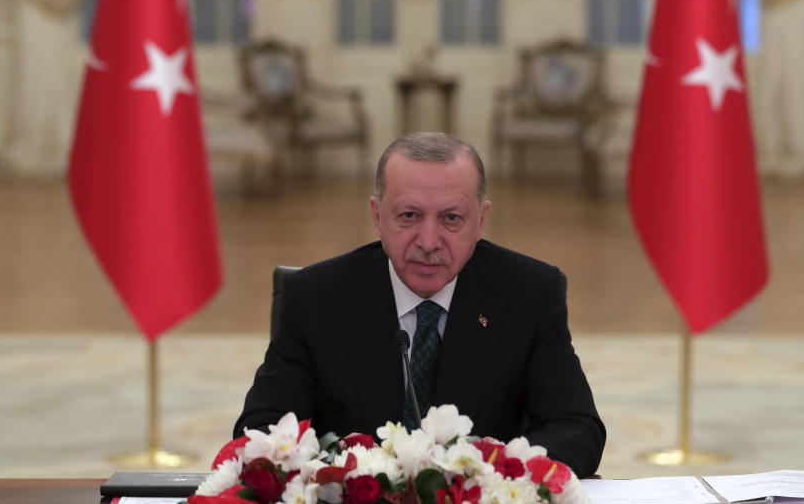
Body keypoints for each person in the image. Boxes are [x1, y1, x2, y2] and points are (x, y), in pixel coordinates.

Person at [234, 132, 605, 476]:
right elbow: (261, 432)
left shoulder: (529, 293)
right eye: (409, 216)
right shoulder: (316, 298)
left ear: (481, 220)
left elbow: (577, 428)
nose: (428, 241)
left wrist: (486, 475)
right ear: (378, 216)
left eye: (451, 218)